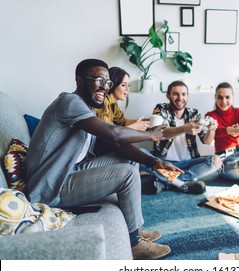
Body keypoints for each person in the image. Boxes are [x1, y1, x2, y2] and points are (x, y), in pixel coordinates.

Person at [24, 58, 182, 260]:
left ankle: (133, 228)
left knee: (129, 160)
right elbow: (114, 134)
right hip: (50, 186)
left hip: (70, 172)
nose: (104, 87)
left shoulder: (85, 109)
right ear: (79, 80)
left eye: (107, 82)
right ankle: (134, 244)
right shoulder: (68, 102)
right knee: (127, 174)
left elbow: (113, 145)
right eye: (98, 80)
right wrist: (152, 135)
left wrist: (151, 161)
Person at [140, 80, 223, 194]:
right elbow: (160, 133)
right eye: (175, 94)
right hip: (164, 163)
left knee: (216, 160)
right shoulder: (161, 109)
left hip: (188, 163)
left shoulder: (194, 113)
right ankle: (181, 183)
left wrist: (212, 130)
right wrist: (184, 128)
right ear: (168, 95)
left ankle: (168, 183)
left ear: (188, 96)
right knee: (140, 152)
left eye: (183, 94)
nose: (180, 98)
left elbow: (207, 141)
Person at [93, 66, 149, 131]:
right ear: (112, 84)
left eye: (128, 85)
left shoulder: (113, 104)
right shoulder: (103, 102)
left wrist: (151, 120)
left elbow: (123, 122)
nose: (127, 89)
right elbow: (106, 133)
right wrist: (135, 127)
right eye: (123, 85)